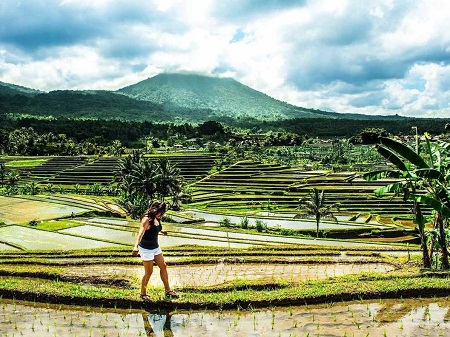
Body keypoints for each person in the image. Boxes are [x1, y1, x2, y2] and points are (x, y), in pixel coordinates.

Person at [132, 200, 179, 300]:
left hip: (155, 247)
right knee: (149, 272)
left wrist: (162, 231)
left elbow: (155, 227)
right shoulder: (146, 220)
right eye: (160, 212)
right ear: (154, 209)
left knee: (163, 267)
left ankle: (168, 290)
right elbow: (140, 234)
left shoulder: (157, 218)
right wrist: (135, 247)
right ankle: (143, 293)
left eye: (162, 212)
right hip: (146, 249)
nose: (161, 214)